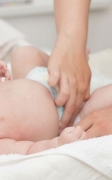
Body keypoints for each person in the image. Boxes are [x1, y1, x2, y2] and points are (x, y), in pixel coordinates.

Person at [48, 0, 92, 133]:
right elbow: (28, 152)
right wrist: (56, 144)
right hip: (67, 116)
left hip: (33, 76)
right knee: (102, 99)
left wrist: (73, 45)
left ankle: (70, 58)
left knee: (23, 53)